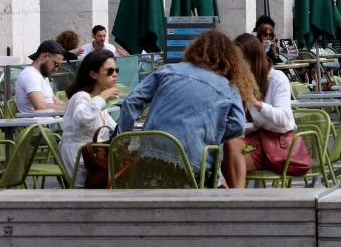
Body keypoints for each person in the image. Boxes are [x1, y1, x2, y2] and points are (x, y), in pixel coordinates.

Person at [117, 30, 252, 184]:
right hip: (192, 167)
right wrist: (210, 132)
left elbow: (131, 101)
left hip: (148, 159)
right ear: (229, 59)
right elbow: (238, 126)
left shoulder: (168, 71)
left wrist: (124, 143)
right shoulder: (228, 88)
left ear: (195, 49)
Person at [222, 34, 296, 189]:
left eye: (241, 60)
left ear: (253, 59)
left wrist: (256, 104)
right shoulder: (243, 81)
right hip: (258, 140)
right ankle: (234, 197)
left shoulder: (277, 78)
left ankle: (235, 199)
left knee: (228, 162)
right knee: (225, 150)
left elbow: (284, 118)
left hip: (279, 144)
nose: (237, 64)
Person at [59, 49, 119, 187]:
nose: (115, 74)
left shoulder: (95, 100)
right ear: (93, 74)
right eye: (109, 71)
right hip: (83, 160)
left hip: (96, 157)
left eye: (116, 70)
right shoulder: (81, 96)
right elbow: (82, 119)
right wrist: (103, 96)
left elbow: (112, 127)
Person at [15, 40, 68, 113]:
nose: (56, 69)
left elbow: (55, 101)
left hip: (48, 118)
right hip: (38, 120)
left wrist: (72, 106)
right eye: (56, 64)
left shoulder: (41, 75)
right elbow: (40, 106)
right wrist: (69, 108)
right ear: (44, 56)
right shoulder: (30, 74)